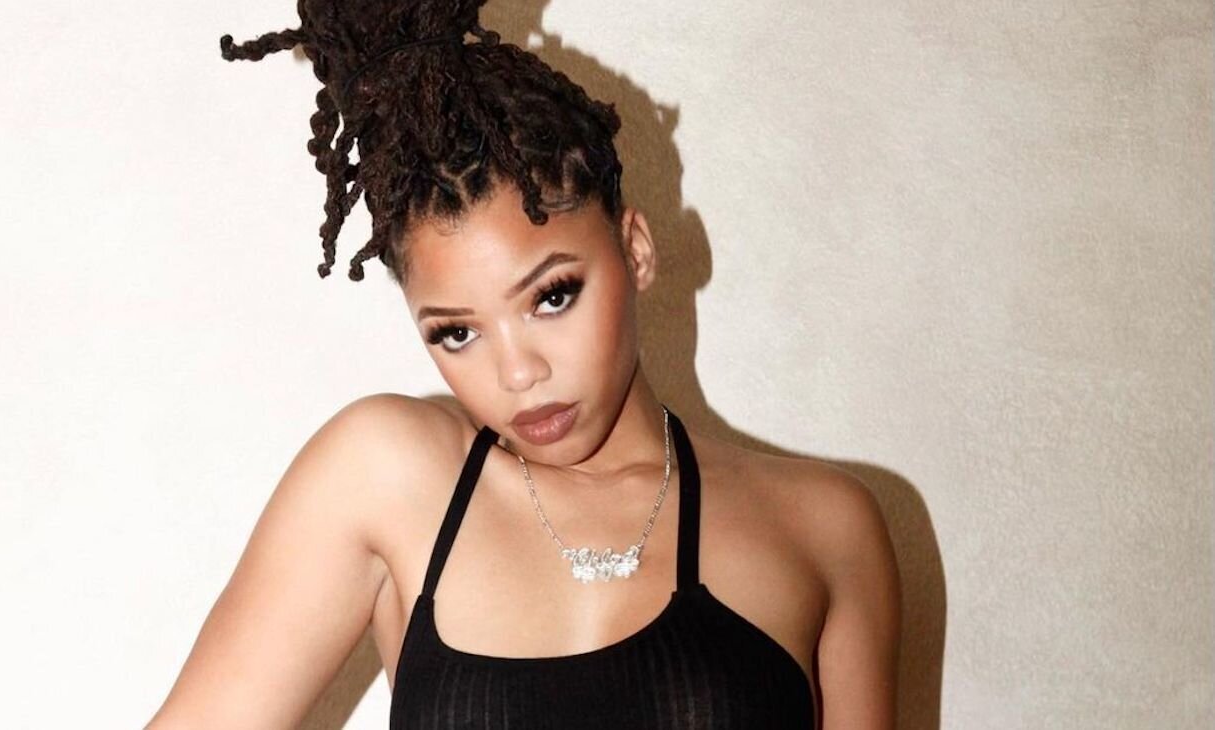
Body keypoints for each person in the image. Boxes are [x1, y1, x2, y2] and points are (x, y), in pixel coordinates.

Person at [147, 1, 901, 727]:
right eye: (456, 333)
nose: (517, 374)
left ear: (635, 249)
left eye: (551, 297)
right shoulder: (389, 476)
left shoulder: (823, 526)